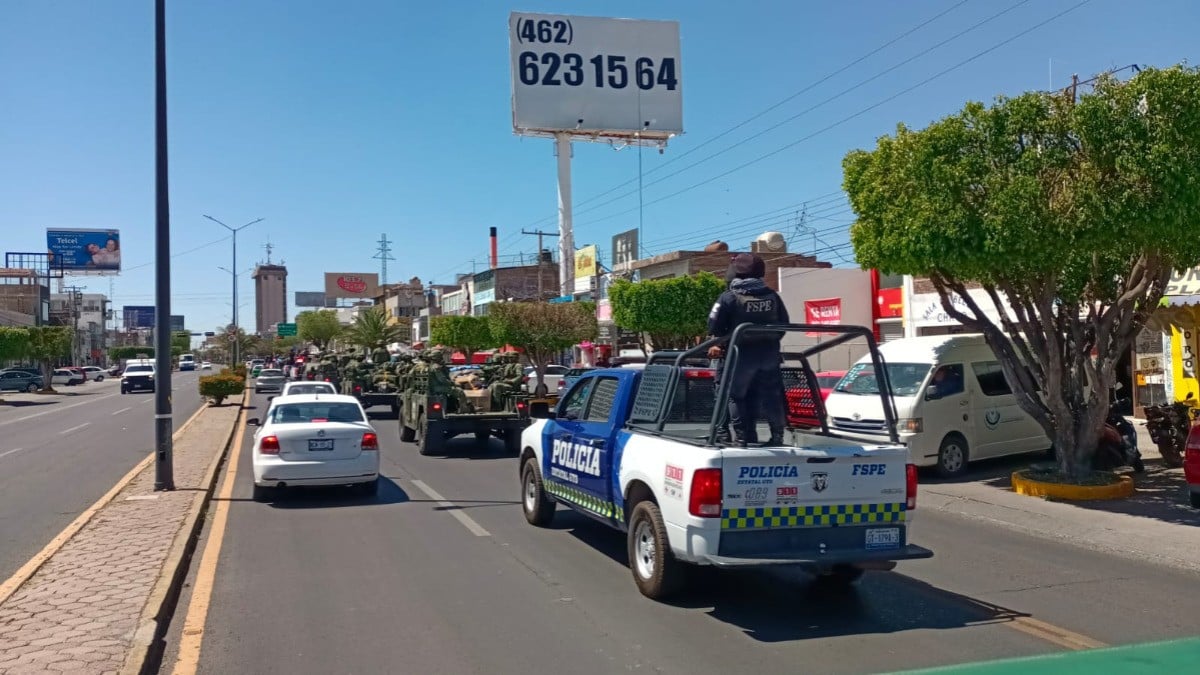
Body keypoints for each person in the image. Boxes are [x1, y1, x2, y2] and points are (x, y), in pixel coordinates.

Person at [706, 253, 789, 446]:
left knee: (734, 396)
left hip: (739, 357)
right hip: (769, 356)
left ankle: (741, 439)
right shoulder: (772, 296)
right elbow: (784, 324)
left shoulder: (729, 297)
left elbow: (713, 327)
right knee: (771, 396)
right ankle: (777, 437)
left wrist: (722, 341)